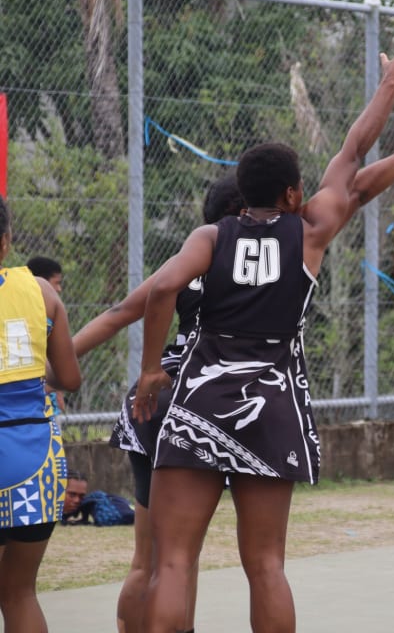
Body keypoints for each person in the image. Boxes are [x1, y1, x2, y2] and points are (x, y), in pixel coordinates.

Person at [130, 28, 394, 631]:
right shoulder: (309, 230)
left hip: (202, 394)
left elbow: (158, 290)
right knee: (266, 564)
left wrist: (154, 367)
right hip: (272, 401)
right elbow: (354, 155)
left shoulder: (211, 237)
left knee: (175, 560)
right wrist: (393, 83)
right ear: (292, 192)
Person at [73, 175, 245, 633]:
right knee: (180, 558)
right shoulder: (262, 269)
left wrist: (49, 369)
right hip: (198, 404)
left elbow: (116, 316)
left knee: (149, 559)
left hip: (150, 401)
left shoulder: (186, 265)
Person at [0, 197, 82, 632]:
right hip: (34, 460)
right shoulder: (41, 291)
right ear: (7, 240)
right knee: (20, 594)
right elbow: (69, 378)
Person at [28, 256, 68, 413]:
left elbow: (53, 355)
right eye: (56, 283)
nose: (59, 289)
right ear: (41, 282)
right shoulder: (33, 313)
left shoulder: (50, 310)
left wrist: (58, 392)